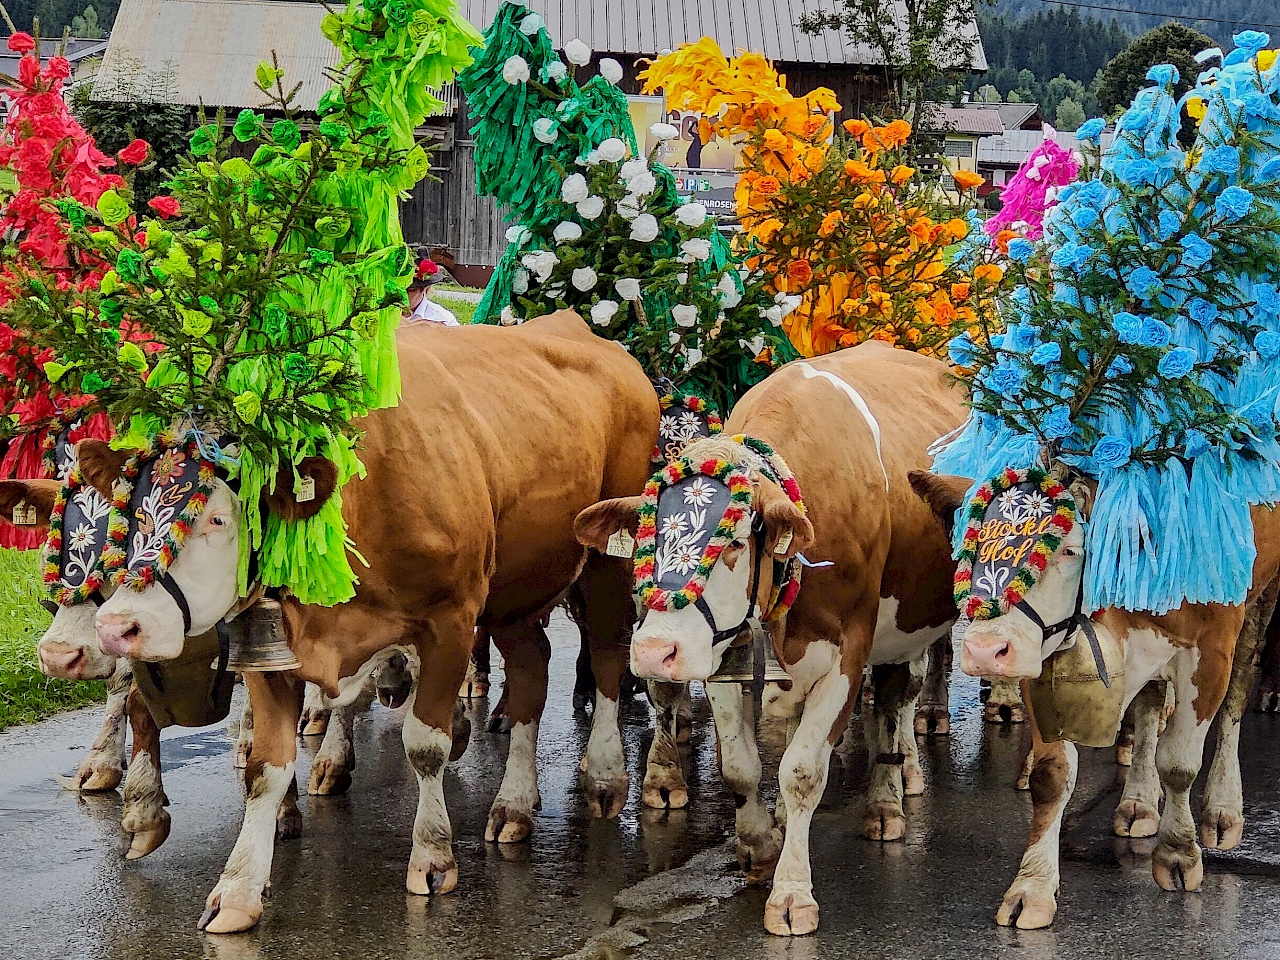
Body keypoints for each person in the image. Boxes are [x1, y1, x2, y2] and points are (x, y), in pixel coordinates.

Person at [403, 257, 460, 326]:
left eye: (411, 290)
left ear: (425, 288)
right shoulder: (386, 313)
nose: (403, 295)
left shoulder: (443, 318)